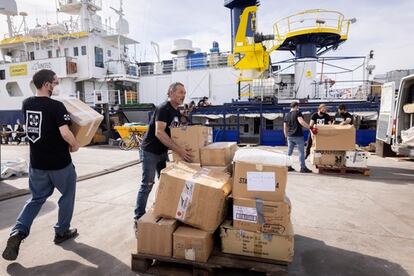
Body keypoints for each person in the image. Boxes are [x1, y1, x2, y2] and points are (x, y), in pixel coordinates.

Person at [2, 69, 80, 261]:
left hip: (37, 163)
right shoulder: (56, 106)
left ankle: (17, 232)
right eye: (55, 83)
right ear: (46, 85)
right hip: (59, 163)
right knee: (67, 195)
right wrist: (75, 144)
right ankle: (61, 231)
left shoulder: (27, 103)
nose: (56, 86)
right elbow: (64, 133)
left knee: (36, 199)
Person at [134, 82, 193, 226]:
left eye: (184, 93)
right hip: (150, 151)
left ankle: (162, 208)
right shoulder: (163, 109)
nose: (183, 95)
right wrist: (179, 150)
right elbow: (159, 132)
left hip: (162, 152)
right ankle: (138, 217)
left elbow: (176, 130)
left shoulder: (175, 111)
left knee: (166, 182)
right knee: (147, 184)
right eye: (180, 92)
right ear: (171, 93)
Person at [283, 101, 312, 173]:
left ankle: (288, 166)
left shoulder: (287, 115)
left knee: (289, 152)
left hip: (290, 136)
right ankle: (303, 168)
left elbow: (285, 127)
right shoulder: (298, 113)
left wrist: (286, 136)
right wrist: (310, 127)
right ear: (296, 106)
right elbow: (301, 122)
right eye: (298, 106)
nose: (298, 108)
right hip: (298, 135)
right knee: (301, 152)